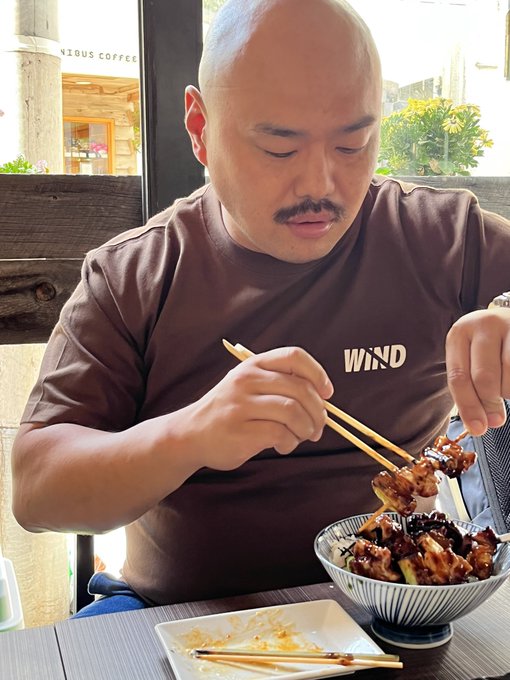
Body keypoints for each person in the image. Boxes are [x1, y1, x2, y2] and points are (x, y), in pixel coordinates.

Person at [11, 0, 510, 617]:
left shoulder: (442, 240)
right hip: (181, 615)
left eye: (353, 144)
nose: (320, 185)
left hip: (398, 607)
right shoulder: (134, 276)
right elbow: (37, 492)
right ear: (200, 127)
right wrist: (190, 433)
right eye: (279, 149)